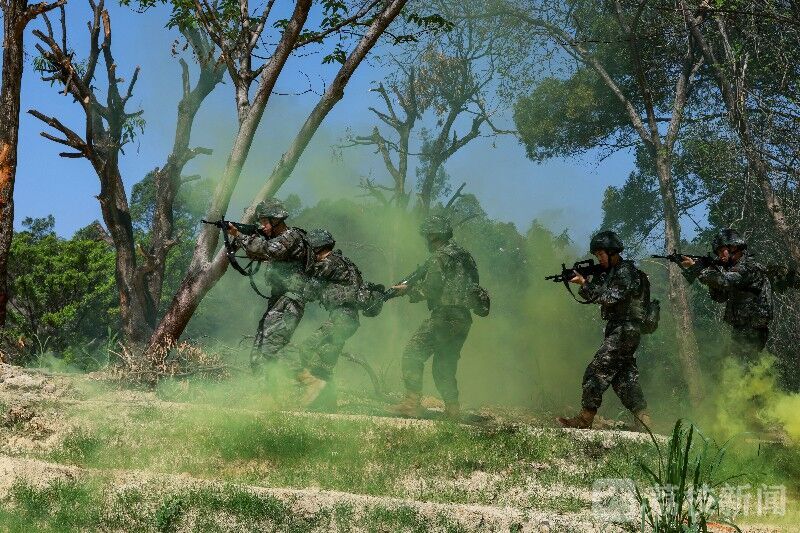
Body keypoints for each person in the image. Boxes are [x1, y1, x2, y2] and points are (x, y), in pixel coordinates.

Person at [388, 215, 483, 420]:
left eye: (427, 236)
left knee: (413, 353)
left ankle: (411, 404)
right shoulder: (465, 256)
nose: (426, 240)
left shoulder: (440, 256)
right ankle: (453, 410)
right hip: (463, 318)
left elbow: (431, 288)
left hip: (445, 316)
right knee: (444, 366)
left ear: (433, 235)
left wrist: (409, 290)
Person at [558, 231, 651, 430]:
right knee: (624, 379)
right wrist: (586, 280)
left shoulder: (625, 272)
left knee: (596, 371)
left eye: (600, 254)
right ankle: (644, 421)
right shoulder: (613, 272)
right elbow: (600, 292)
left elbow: (609, 298)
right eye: (596, 255)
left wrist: (584, 283)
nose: (598, 259)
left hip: (624, 329)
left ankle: (585, 419)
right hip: (623, 330)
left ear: (612, 252)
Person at [227, 198, 313, 371]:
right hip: (279, 299)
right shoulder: (276, 239)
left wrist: (239, 235)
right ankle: (262, 384)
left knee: (273, 348)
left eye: (265, 222)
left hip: (290, 300)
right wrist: (243, 238)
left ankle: (304, 379)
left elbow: (270, 249)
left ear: (276, 220)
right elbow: (257, 253)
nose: (262, 226)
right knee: (260, 349)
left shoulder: (291, 237)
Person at [680, 229, 773, 365]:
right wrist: (709, 272)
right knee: (740, 364)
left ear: (733, 247)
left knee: (748, 365)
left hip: (753, 327)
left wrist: (699, 269)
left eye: (721, 251)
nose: (719, 256)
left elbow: (724, 281)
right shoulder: (734, 269)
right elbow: (720, 297)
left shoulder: (749, 267)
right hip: (741, 326)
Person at [296, 229, 364, 408]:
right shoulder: (344, 262)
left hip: (341, 319)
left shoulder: (327, 263)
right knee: (325, 362)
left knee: (307, 347)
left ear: (316, 247)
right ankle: (327, 404)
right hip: (349, 320)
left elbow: (309, 292)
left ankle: (312, 384)